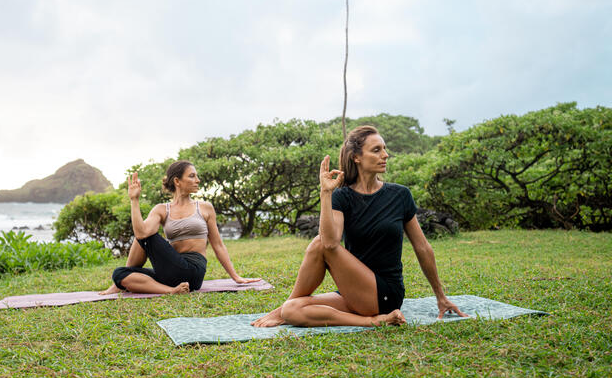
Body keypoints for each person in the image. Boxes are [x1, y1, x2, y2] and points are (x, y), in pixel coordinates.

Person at [252, 125, 466, 328]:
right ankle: (371, 321)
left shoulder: (400, 195)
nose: (385, 155)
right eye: (376, 150)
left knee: (319, 244)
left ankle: (372, 318)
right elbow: (331, 241)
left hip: (384, 294)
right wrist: (325, 193)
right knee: (292, 310)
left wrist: (441, 296)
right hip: (353, 291)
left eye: (384, 149)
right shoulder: (342, 197)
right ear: (357, 157)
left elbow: (423, 248)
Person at [100, 160, 259, 295]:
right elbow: (140, 232)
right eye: (192, 176)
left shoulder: (205, 208)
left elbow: (218, 245)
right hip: (170, 269)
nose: (197, 180)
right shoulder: (162, 209)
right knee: (119, 273)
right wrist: (134, 200)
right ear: (177, 181)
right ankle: (170, 290)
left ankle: (124, 286)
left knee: (145, 236)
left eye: (196, 176)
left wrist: (235, 276)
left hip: (193, 271)